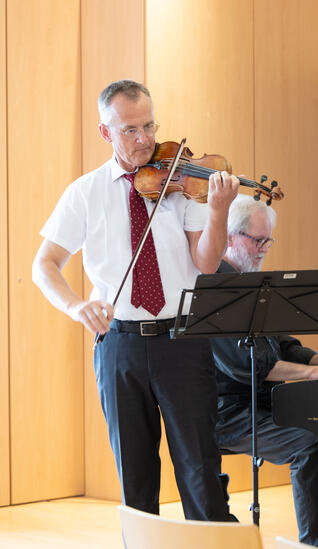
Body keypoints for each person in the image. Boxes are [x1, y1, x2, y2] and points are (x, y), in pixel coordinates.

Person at [32, 79, 240, 520]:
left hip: (182, 341)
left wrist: (219, 210)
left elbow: (206, 263)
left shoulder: (179, 180)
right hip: (119, 346)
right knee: (136, 479)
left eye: (149, 125)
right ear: (106, 133)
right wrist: (75, 305)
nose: (145, 139)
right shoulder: (85, 193)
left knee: (201, 472)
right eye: (130, 130)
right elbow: (44, 264)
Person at [211, 195, 318, 547]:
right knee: (309, 445)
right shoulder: (216, 291)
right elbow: (247, 367)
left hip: (263, 400)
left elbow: (282, 342)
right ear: (231, 237)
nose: (264, 248)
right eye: (257, 240)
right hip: (229, 412)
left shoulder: (254, 283)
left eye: (268, 240)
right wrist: (310, 376)